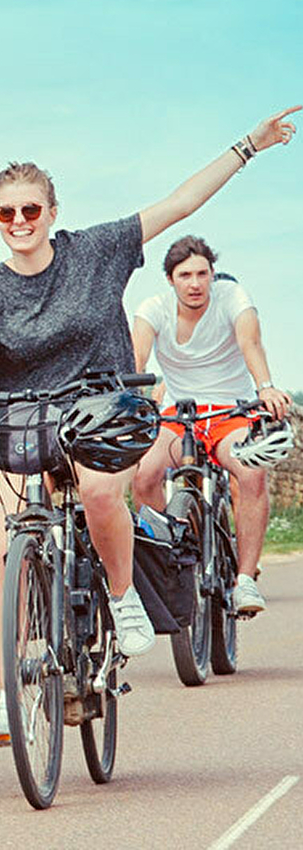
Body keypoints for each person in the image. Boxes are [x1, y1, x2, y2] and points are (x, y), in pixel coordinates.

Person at [0, 104, 299, 742]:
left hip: (105, 404)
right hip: (25, 414)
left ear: (52, 213)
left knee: (98, 492)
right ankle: (10, 691)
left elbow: (179, 203)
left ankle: (123, 601)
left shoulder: (95, 250)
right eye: (6, 213)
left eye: (30, 211)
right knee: (7, 545)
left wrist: (249, 146)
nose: (18, 223)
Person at [131, 236, 294, 614]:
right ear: (170, 279)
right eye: (185, 275)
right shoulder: (154, 308)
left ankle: (246, 579)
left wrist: (265, 386)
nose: (195, 283)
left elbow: (250, 341)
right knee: (144, 477)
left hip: (228, 412)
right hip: (178, 415)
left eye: (202, 273)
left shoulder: (232, 297)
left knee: (250, 472)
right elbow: (137, 355)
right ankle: (166, 561)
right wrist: (127, 390)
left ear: (212, 274)